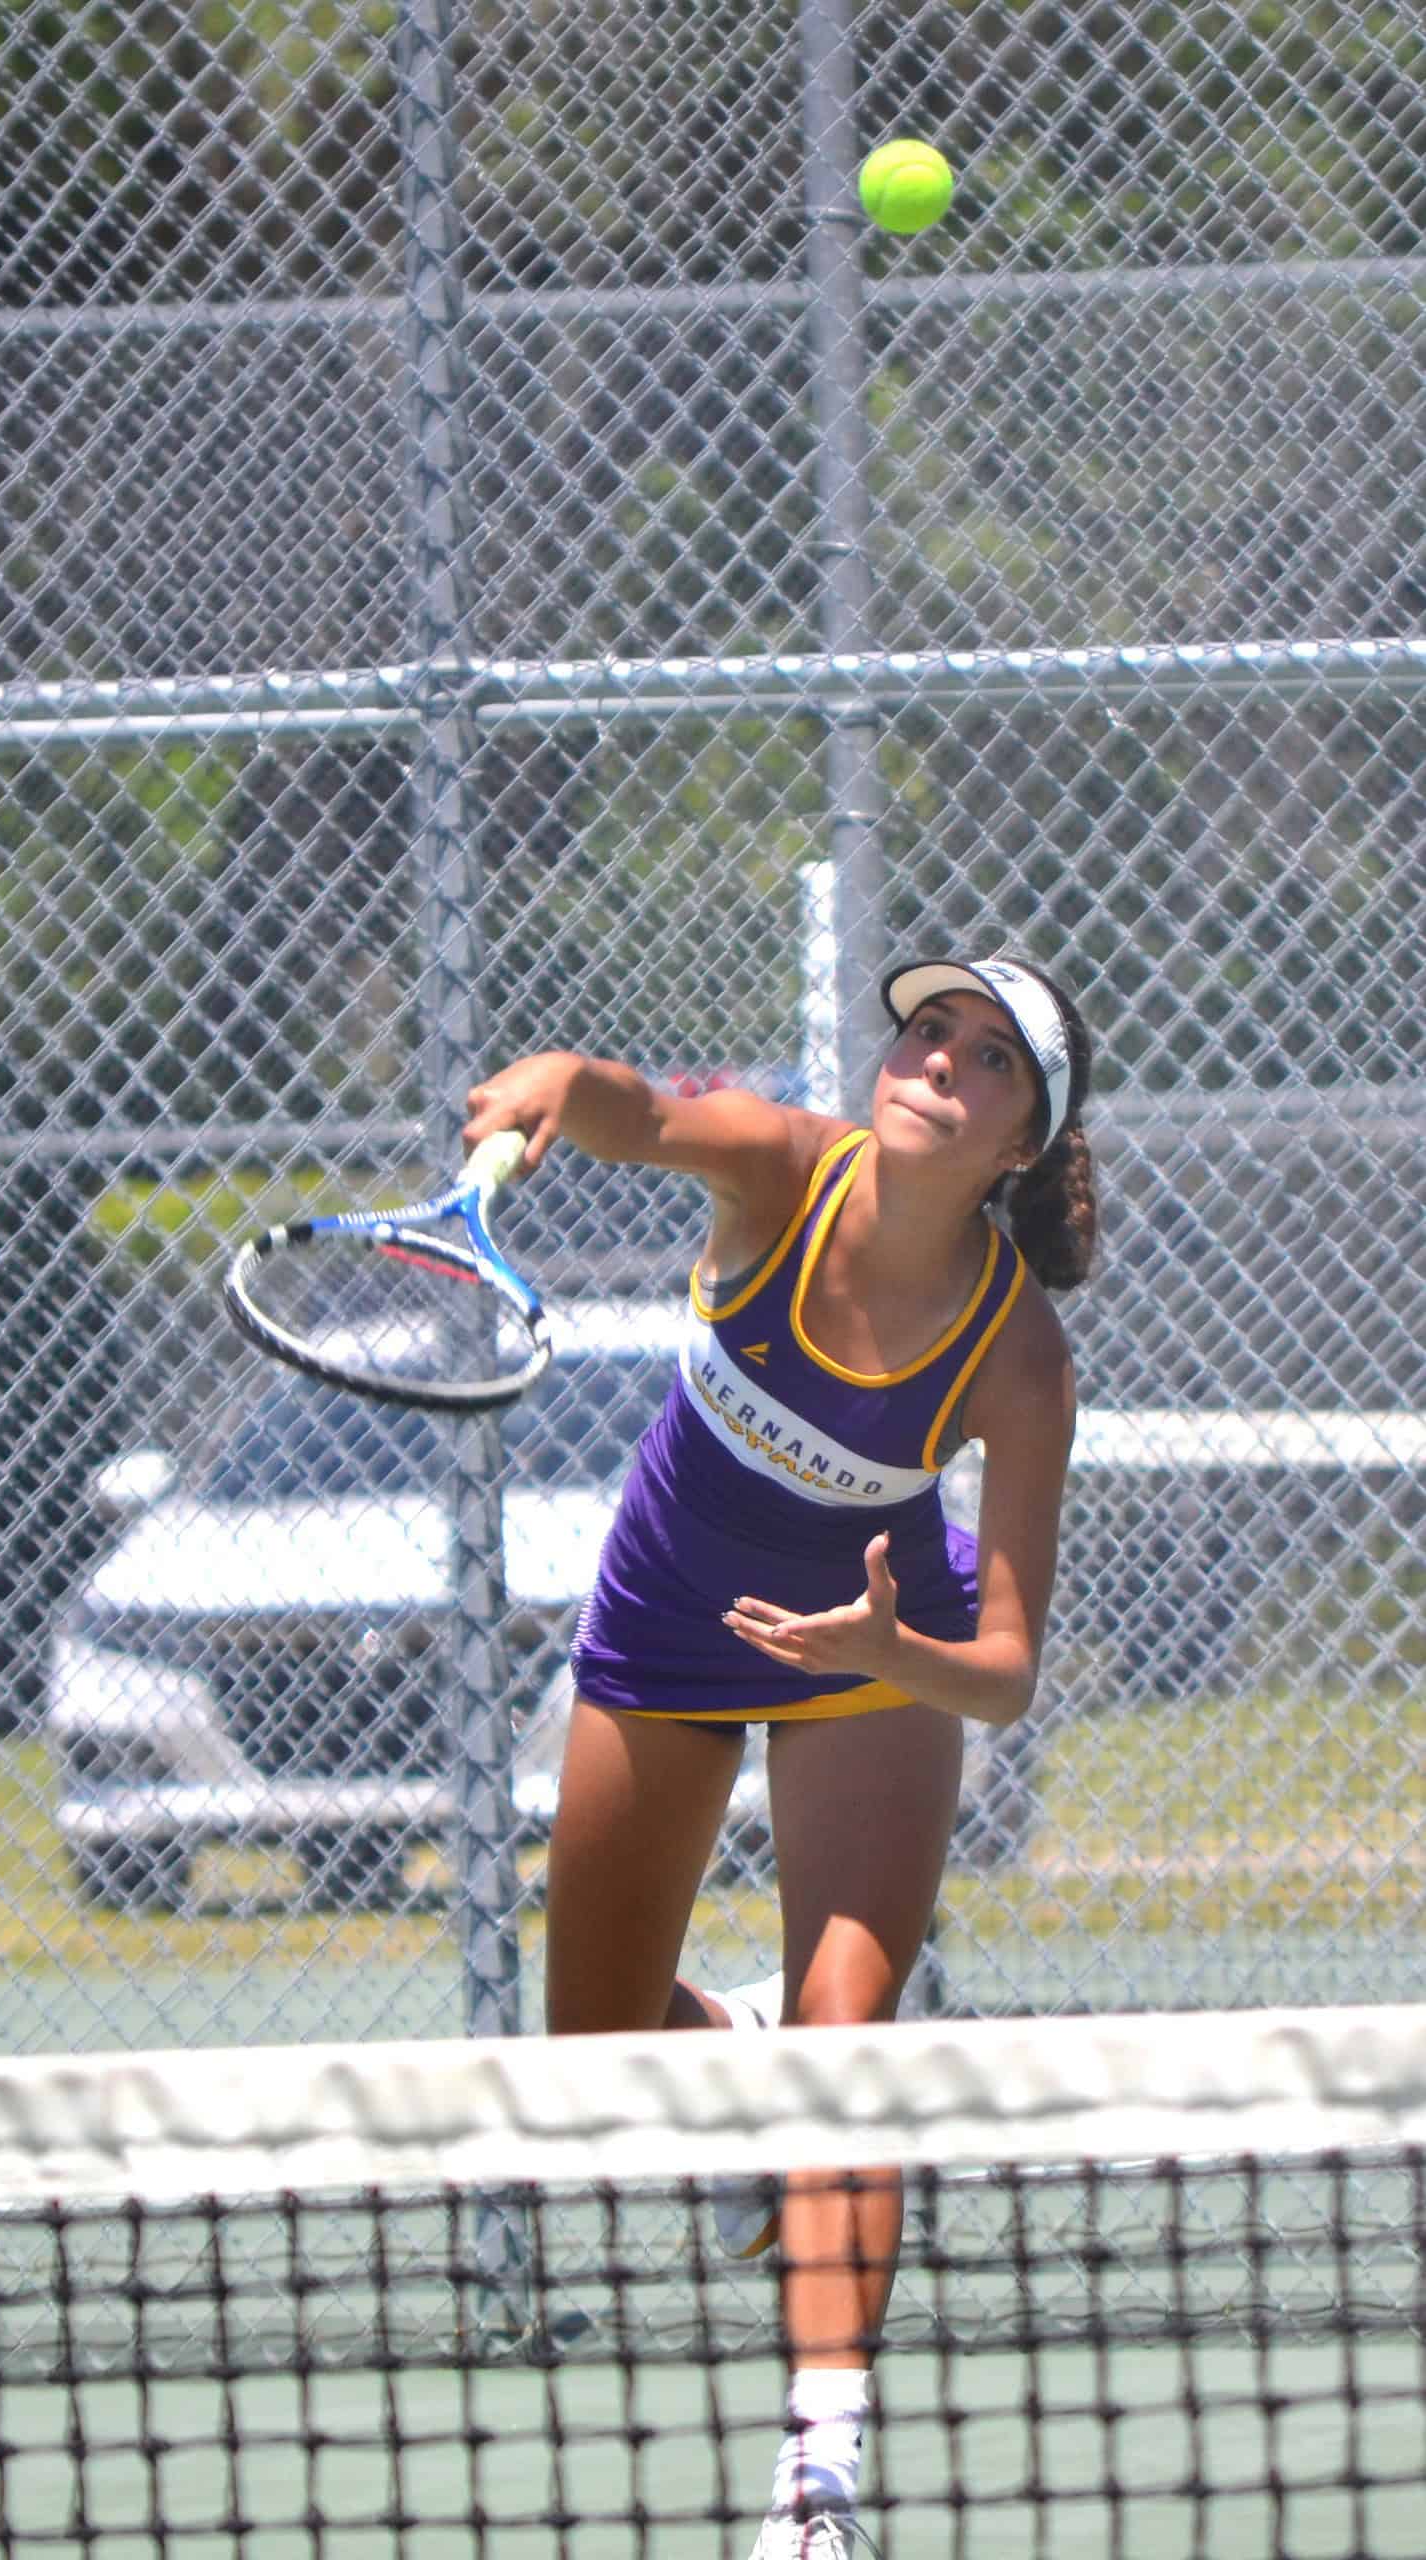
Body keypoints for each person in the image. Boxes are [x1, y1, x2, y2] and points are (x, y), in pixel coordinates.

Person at [463, 951, 1096, 2560]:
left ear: (1019, 1143)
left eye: (988, 1059)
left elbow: (1006, 1675)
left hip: (877, 1664)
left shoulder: (1018, 1362)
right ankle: (726, 2061)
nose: (938, 1060)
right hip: (667, 1616)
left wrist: (891, 1652)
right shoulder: (784, 1169)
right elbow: (641, 1113)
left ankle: (818, 2483)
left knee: (845, 2037)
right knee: (592, 2058)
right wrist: (555, 1076)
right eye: (926, 1030)